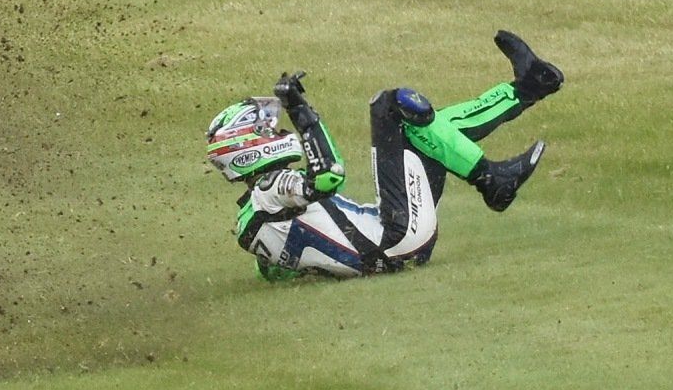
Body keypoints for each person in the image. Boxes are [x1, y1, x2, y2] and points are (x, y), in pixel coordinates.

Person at [207, 31, 561, 280]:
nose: (278, 133)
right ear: (245, 150)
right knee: (391, 105)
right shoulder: (271, 188)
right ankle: (492, 181)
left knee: (424, 131)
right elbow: (329, 175)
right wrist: (302, 112)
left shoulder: (250, 219)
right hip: (397, 237)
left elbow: (275, 271)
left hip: (395, 246)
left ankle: (529, 86)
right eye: (267, 131)